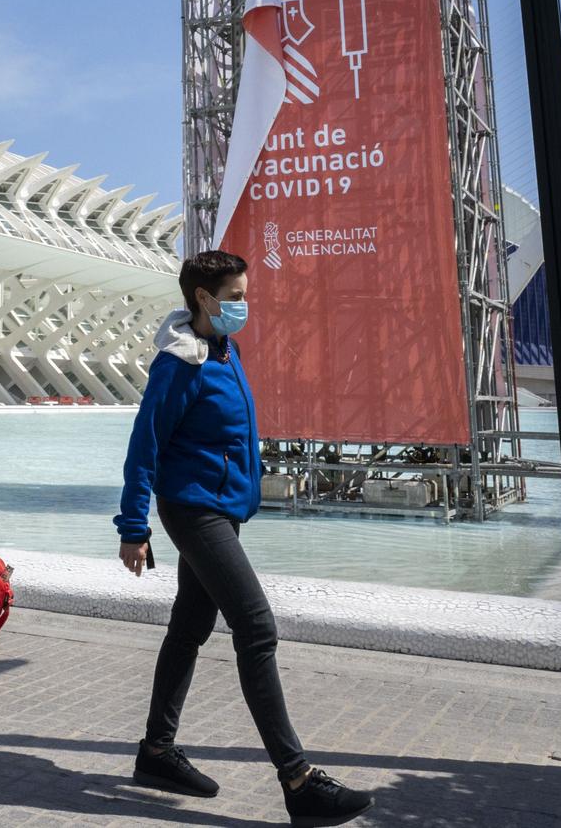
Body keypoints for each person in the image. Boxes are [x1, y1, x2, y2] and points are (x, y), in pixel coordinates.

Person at [115, 249, 375, 826]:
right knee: (256, 628)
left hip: (220, 509)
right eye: (234, 295)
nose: (242, 304)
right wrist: (134, 526)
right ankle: (298, 779)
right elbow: (144, 448)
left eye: (243, 293)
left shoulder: (225, 351)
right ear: (204, 299)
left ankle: (156, 753)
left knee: (189, 628)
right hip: (193, 510)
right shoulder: (181, 362)